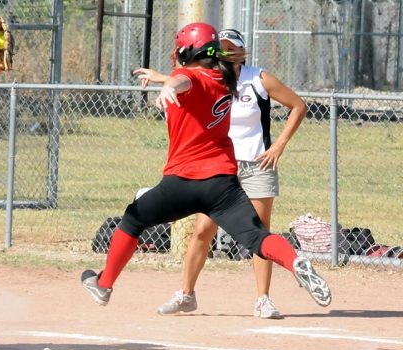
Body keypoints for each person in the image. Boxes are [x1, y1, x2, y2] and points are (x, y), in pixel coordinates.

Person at [81, 22, 331, 312]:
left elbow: (185, 81)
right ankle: (294, 261)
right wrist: (165, 80)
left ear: (187, 52)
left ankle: (104, 284)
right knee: (256, 236)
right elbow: (193, 80)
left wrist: (168, 86)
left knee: (133, 220)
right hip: (222, 185)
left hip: (182, 183)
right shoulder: (225, 78)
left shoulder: (186, 76)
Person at [133, 29, 307, 319]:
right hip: (219, 167)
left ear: (240, 51)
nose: (222, 53)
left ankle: (263, 299)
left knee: (258, 232)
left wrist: (279, 145)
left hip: (256, 164)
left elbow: (298, 106)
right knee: (203, 230)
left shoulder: (257, 79)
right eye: (218, 48)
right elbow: (185, 80)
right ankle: (187, 295)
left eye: (229, 48)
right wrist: (163, 79)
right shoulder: (210, 78)